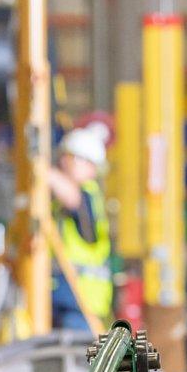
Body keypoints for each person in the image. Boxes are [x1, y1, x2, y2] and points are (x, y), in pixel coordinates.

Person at [47, 126, 114, 331]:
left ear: (91, 166)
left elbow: (70, 196)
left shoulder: (87, 195)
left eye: (72, 158)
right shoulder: (57, 203)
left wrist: (40, 167)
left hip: (81, 305)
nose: (64, 162)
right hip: (62, 300)